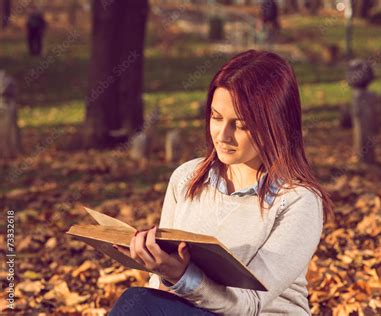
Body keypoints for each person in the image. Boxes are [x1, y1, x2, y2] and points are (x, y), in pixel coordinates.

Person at [110, 50, 333, 315]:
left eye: (240, 125)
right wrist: (159, 267)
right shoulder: (186, 178)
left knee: (138, 303)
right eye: (216, 117)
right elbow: (160, 291)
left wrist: (182, 276)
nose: (222, 135)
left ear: (276, 124)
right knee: (141, 303)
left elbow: (248, 304)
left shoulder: (298, 201)